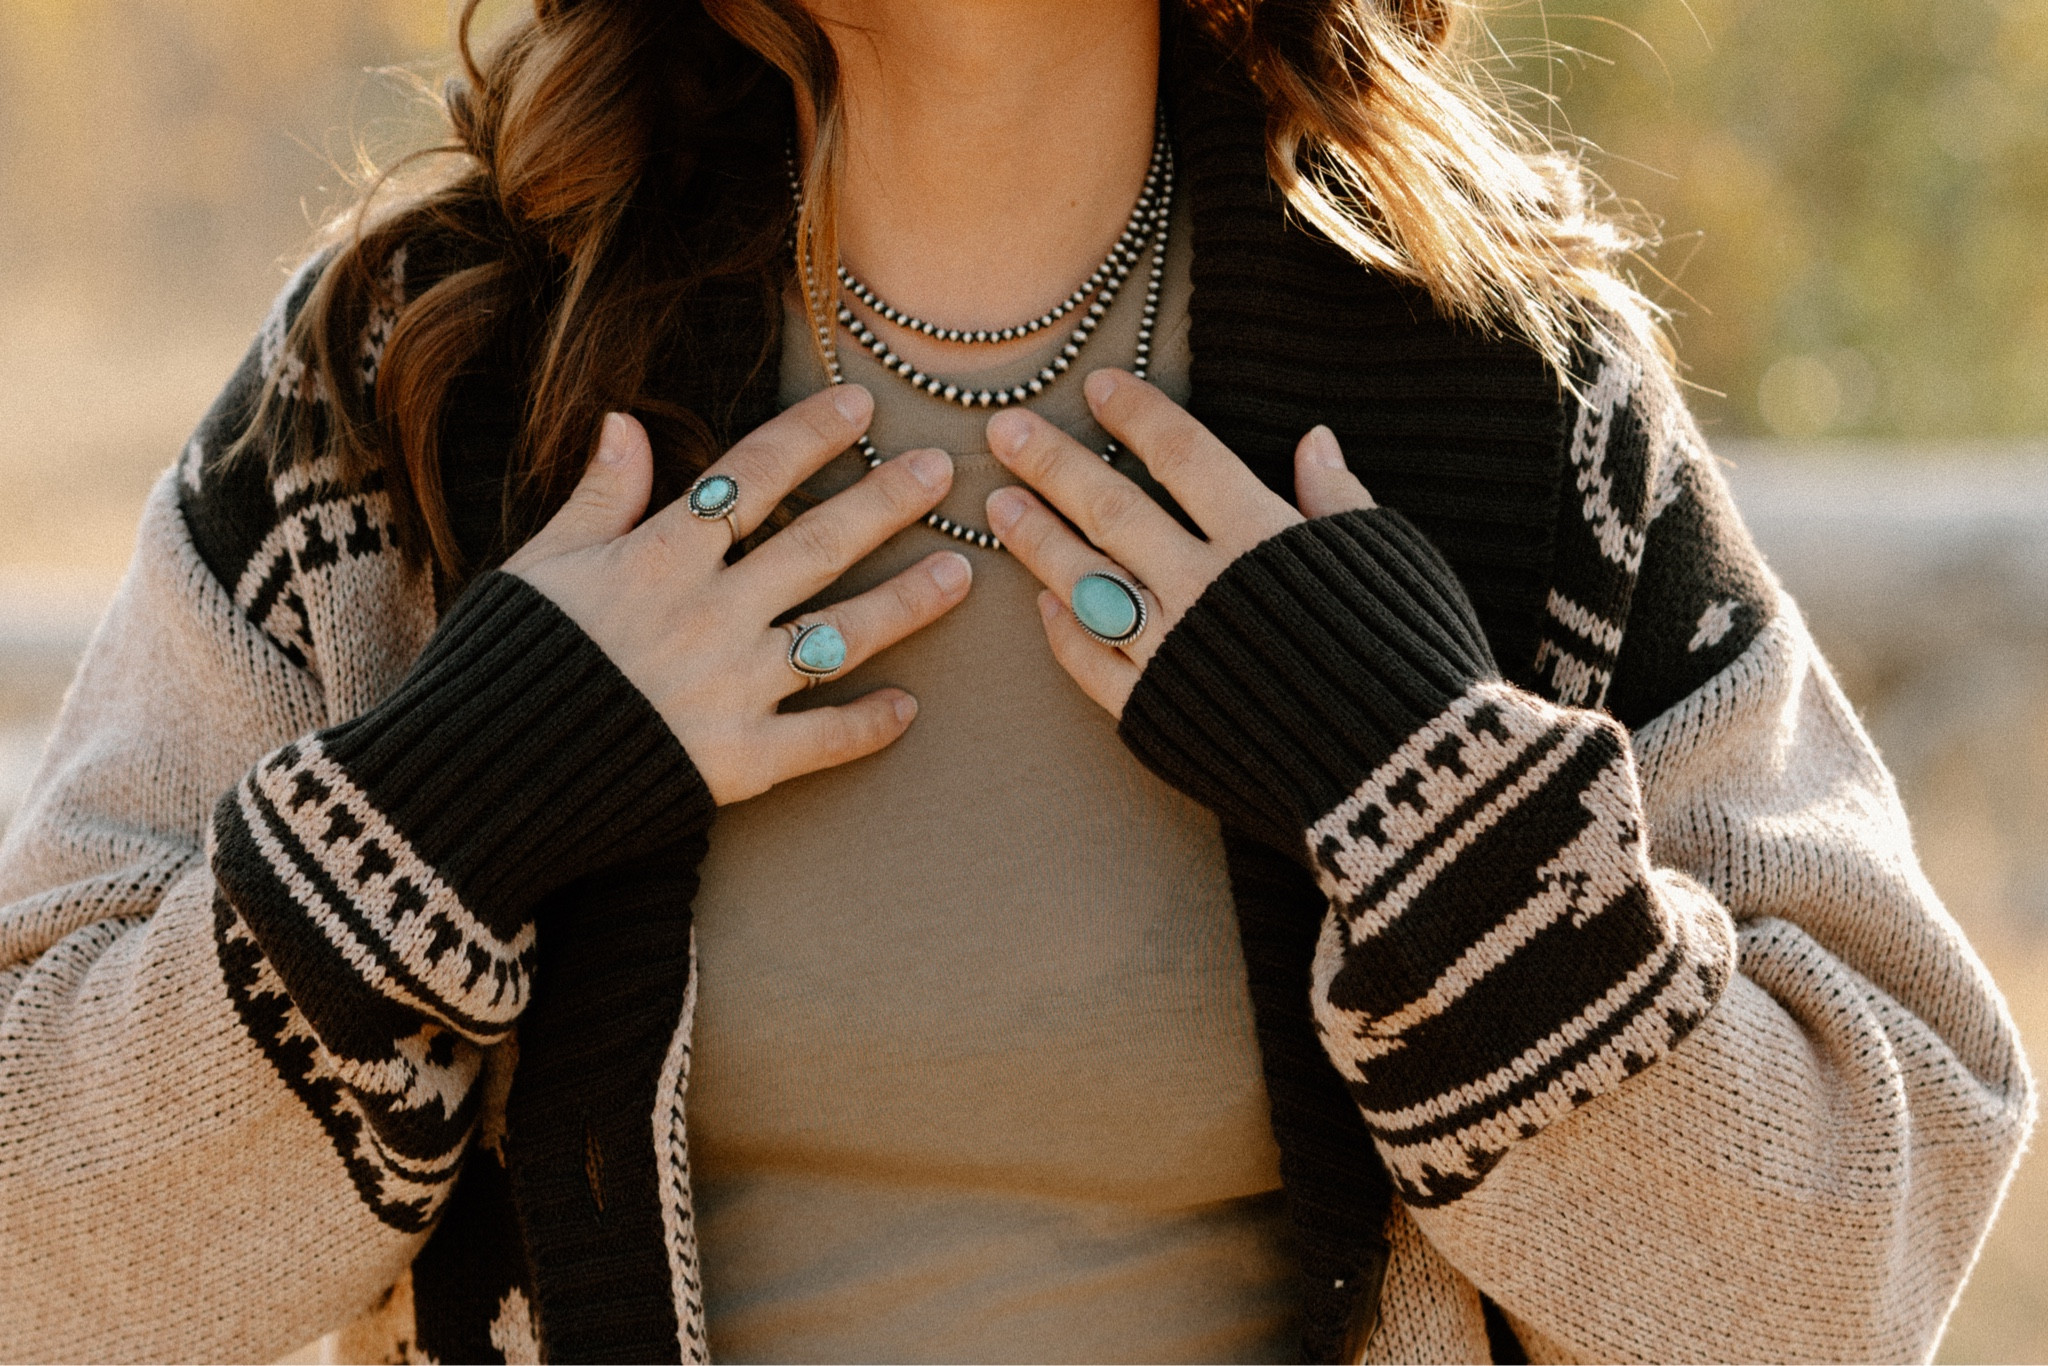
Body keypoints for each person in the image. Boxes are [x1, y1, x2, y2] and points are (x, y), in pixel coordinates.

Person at [0, 0, 2032, 1360]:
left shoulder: (1506, 404)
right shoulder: (427, 379)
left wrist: (1423, 795)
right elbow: (37, 1255)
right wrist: (453, 805)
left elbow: (1854, 1265)